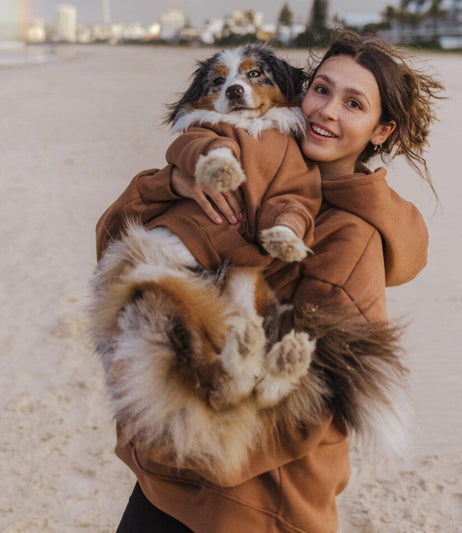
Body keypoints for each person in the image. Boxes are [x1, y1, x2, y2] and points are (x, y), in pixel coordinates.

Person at [95, 31, 443, 532]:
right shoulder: (241, 167)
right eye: (321, 90)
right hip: (166, 482)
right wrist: (168, 182)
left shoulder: (351, 237)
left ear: (380, 131)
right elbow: (112, 238)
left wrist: (182, 430)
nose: (326, 111)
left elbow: (318, 405)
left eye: (353, 103)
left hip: (246, 502)